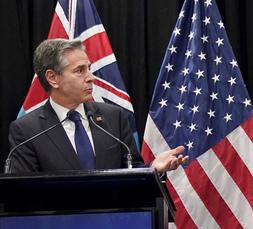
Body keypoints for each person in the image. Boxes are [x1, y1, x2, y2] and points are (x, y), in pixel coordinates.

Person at [7, 38, 188, 173]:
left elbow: (132, 172)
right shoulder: (27, 131)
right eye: (80, 71)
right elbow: (24, 195)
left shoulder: (113, 118)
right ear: (53, 78)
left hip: (114, 222)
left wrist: (152, 169)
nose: (91, 77)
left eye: (89, 68)